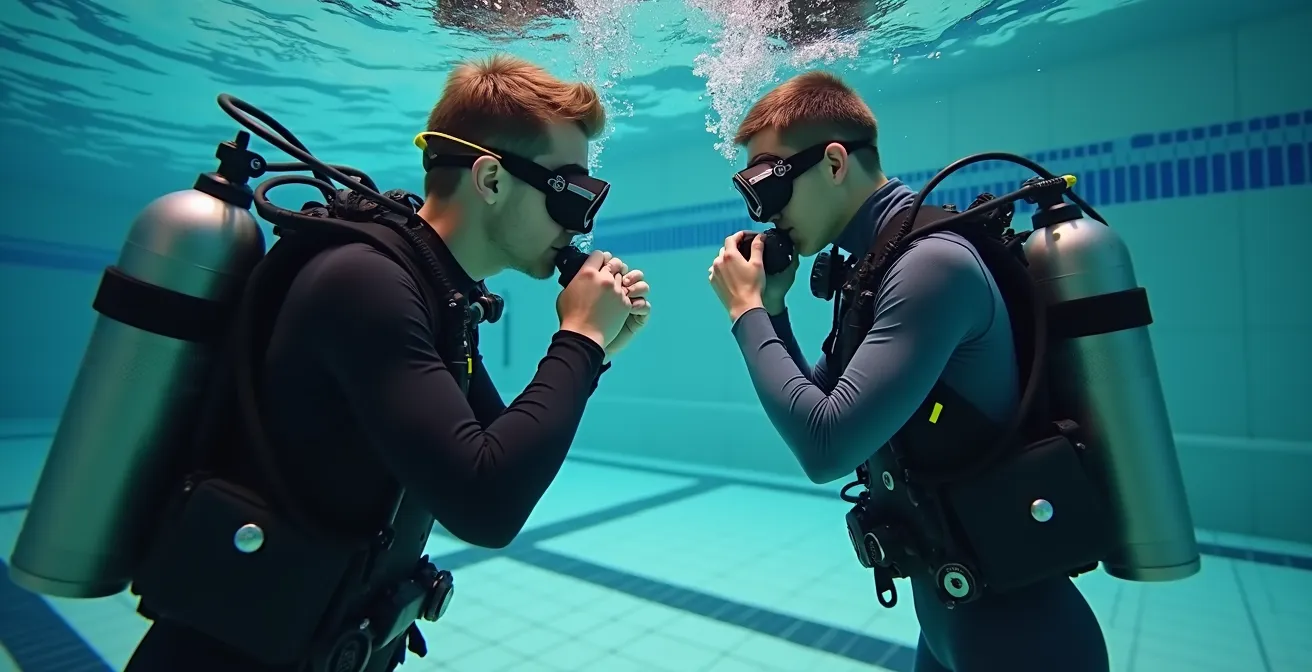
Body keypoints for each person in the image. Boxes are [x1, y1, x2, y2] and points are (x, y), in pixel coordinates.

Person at [124, 54, 651, 672]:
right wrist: (580, 339)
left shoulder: (437, 292)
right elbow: (486, 503)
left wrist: (592, 356)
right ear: (491, 181)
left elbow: (496, 449)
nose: (582, 223)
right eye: (570, 195)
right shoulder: (366, 283)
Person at [707, 71, 1110, 672]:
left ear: (835, 163)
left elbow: (825, 446)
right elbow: (822, 403)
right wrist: (773, 311)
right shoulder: (877, 269)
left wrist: (745, 314)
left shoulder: (930, 266)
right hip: (953, 621)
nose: (764, 212)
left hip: (1024, 636)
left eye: (766, 186)